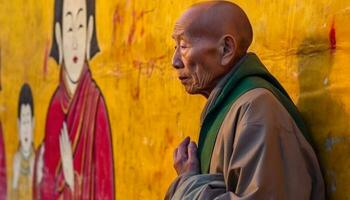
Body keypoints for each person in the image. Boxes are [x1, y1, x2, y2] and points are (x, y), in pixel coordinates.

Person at [165, 1, 325, 199]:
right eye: (175, 46)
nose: (175, 61)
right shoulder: (234, 106)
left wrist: (187, 184)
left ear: (226, 49)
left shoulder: (256, 108)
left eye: (183, 46)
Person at [33, 0, 115, 199]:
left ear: (89, 32)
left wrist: (72, 181)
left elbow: (106, 193)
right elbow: (47, 190)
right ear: (59, 37)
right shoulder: (54, 107)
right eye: (70, 28)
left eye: (80, 27)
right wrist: (39, 169)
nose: (75, 42)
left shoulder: (96, 107)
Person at [12, 83, 35, 199]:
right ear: (18, 124)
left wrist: (33, 179)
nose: (25, 128)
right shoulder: (15, 161)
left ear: (33, 123)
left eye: (28, 121)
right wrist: (15, 181)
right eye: (23, 122)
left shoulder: (39, 160)